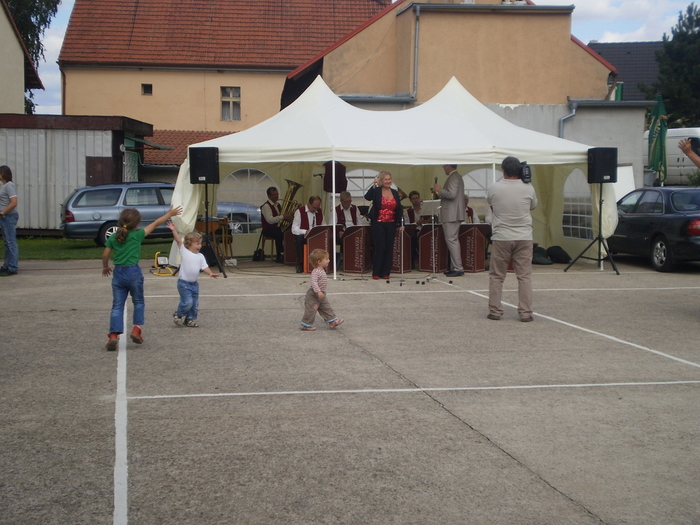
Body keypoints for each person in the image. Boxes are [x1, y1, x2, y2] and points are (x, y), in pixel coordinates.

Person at [102, 205, 183, 350]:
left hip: (119, 273)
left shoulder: (114, 237)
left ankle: (113, 335)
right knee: (138, 302)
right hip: (133, 272)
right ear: (137, 223)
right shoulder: (138, 235)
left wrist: (105, 267)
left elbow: (105, 254)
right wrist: (169, 214)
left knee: (117, 305)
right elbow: (156, 223)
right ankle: (136, 329)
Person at [486, 156, 538, 322]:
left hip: (502, 236)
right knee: (524, 276)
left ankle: (495, 311)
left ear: (503, 171)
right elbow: (532, 206)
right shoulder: (528, 188)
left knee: (497, 276)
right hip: (524, 236)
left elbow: (492, 205)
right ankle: (526, 312)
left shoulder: (494, 187)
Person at [167, 222, 220, 328]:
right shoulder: (185, 252)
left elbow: (204, 266)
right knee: (187, 302)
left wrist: (210, 273)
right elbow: (178, 240)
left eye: (200, 243)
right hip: (184, 283)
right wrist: (173, 230)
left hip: (194, 284)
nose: (199, 246)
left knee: (194, 304)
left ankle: (189, 319)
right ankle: (179, 314)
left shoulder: (200, 256)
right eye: (197, 244)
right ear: (188, 244)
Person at [365, 171, 403, 280]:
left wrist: (401, 223)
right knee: (380, 247)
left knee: (389, 247)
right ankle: (376, 272)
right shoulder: (377, 190)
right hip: (378, 223)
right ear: (381, 180)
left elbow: (399, 208)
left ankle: (386, 272)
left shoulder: (394, 192)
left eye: (389, 179)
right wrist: (374, 185)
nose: (388, 181)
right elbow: (367, 197)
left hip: (391, 223)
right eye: (385, 179)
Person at [434, 164, 466, 277]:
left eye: (444, 166)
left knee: (451, 240)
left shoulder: (454, 177)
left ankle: (458, 267)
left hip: (452, 214)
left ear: (448, 166)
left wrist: (439, 190)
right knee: (452, 240)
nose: (443, 168)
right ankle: (455, 266)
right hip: (453, 213)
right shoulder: (456, 177)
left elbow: (452, 194)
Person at [300, 248, 344, 331]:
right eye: (326, 259)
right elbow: (314, 283)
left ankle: (332, 321)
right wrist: (318, 291)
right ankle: (306, 325)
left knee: (326, 307)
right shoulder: (316, 272)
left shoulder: (322, 270)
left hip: (321, 293)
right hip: (314, 294)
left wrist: (321, 292)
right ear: (319, 262)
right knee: (311, 310)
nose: (329, 260)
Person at [291, 195, 324, 273]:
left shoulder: (319, 212)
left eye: (317, 208)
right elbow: (294, 229)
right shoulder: (299, 211)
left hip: (316, 236)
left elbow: (323, 225)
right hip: (305, 236)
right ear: (309, 204)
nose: (315, 210)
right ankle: (301, 263)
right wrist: (305, 231)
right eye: (314, 208)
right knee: (299, 239)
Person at [260, 186, 293, 263]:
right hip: (268, 229)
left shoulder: (278, 205)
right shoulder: (266, 206)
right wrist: (283, 216)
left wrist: (289, 217)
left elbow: (280, 218)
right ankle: (279, 255)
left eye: (277, 194)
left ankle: (289, 255)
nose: (276, 196)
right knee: (279, 234)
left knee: (289, 232)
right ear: (269, 196)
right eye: (274, 195)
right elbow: (270, 220)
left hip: (277, 228)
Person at [0, 165, 19, 276]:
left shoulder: (9, 186)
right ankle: (6, 265)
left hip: (8, 217)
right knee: (7, 243)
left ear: (3, 174)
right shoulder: (5, 186)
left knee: (11, 243)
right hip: (5, 218)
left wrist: (3, 212)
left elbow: (14, 202)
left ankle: (12, 267)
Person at [404, 190, 425, 268]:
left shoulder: (425, 209)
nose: (416, 200)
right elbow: (407, 225)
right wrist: (417, 223)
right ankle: (412, 262)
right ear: (410, 200)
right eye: (413, 199)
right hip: (415, 231)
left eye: (417, 198)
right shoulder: (407, 212)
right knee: (412, 239)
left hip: (426, 229)